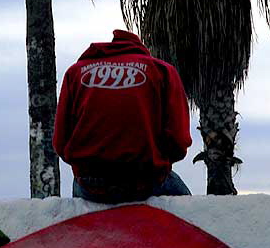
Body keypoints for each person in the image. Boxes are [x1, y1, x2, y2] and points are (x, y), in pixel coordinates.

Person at [53, 29, 192, 203]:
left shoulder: (75, 73)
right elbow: (178, 139)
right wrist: (157, 161)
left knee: (80, 200)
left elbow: (60, 141)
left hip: (92, 184)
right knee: (191, 211)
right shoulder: (162, 70)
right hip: (146, 180)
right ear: (139, 47)